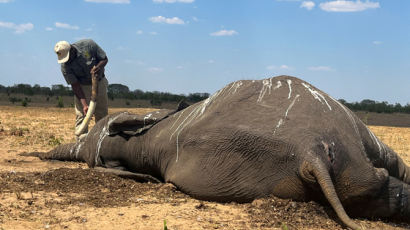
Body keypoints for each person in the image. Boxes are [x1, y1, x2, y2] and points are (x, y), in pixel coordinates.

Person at [54, 39, 109, 139]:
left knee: (102, 115)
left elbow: (104, 59)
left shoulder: (88, 45)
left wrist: (98, 67)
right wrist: (84, 105)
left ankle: (102, 141)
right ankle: (80, 144)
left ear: (71, 50)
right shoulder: (65, 67)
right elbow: (75, 85)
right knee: (81, 117)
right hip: (82, 87)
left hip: (99, 83)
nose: (67, 61)